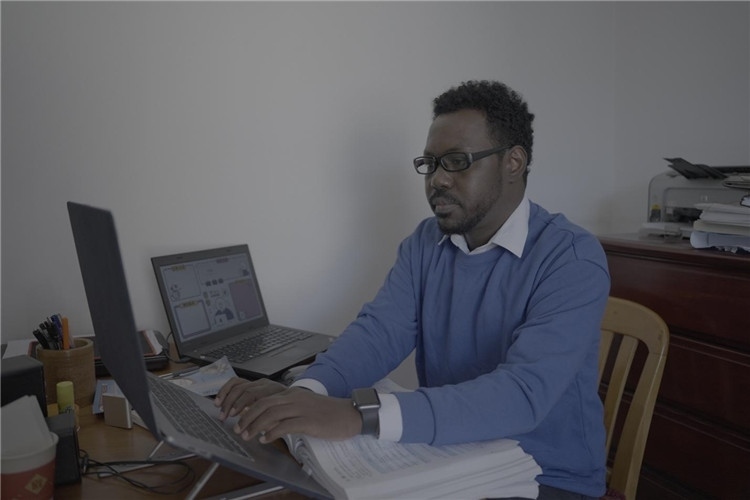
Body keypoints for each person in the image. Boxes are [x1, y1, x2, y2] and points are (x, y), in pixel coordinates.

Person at [215, 80, 610, 499]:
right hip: (452, 457)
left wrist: (359, 414)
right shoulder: (426, 242)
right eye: (430, 163)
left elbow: (522, 394)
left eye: (456, 161)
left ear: (513, 162)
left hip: (545, 476)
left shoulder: (571, 258)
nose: (437, 180)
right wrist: (305, 394)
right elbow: (379, 333)